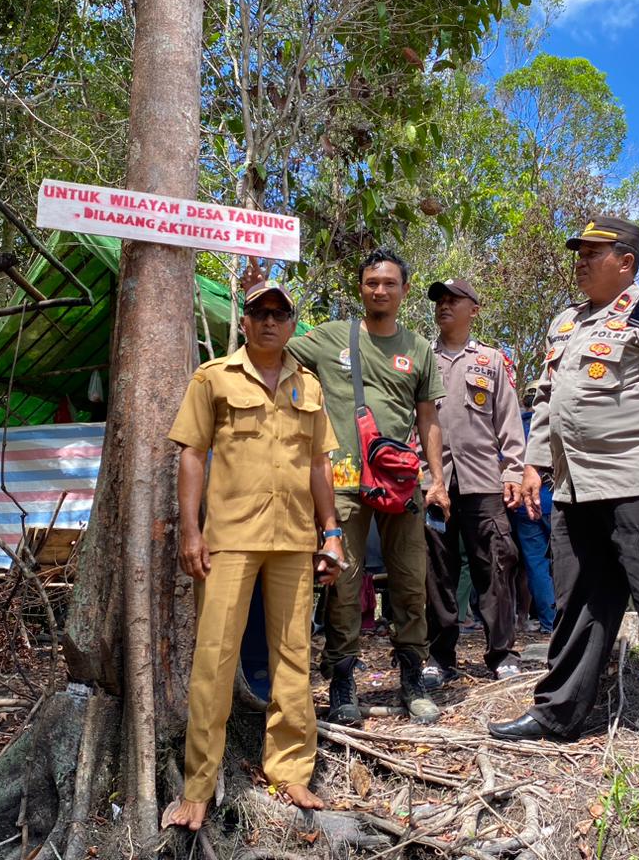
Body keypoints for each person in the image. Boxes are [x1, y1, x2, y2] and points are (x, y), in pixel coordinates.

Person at [487, 215, 639, 771]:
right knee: (579, 605)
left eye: (593, 252)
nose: (580, 261)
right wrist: (534, 463)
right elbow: (547, 400)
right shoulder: (565, 322)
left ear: (626, 262)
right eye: (579, 253)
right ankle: (558, 712)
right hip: (575, 490)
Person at [167, 282, 344, 830]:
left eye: (280, 313)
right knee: (214, 657)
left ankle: (290, 771)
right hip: (229, 537)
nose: (270, 320)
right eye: (259, 312)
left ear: (293, 324)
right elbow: (193, 455)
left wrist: (332, 532)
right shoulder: (214, 378)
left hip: (294, 538)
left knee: (293, 654)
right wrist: (191, 531)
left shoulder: (308, 386)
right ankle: (199, 784)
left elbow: (319, 465)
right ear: (244, 322)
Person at [258, 248, 451, 724]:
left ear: (404, 290)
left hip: (400, 483)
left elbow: (428, 419)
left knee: (409, 581)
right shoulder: (328, 339)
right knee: (344, 583)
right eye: (371, 283)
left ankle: (411, 678)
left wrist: (438, 479)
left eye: (389, 283)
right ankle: (342, 681)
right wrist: (254, 295)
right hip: (340, 483)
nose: (379, 290)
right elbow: (271, 351)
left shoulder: (419, 348)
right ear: (360, 288)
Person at [419, 278, 528, 684]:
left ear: (474, 309)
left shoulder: (491, 360)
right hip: (435, 482)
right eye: (440, 301)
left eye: (453, 300)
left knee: (496, 564)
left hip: (483, 481)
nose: (444, 306)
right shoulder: (421, 357)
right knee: (437, 569)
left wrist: (514, 469)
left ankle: (502, 653)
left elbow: (509, 419)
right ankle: (439, 657)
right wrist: (420, 470)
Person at [512, 380, 558, 634]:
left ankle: (549, 621)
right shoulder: (555, 421)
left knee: (536, 564)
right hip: (557, 499)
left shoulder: (515, 427)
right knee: (564, 561)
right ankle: (566, 620)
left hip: (525, 504)